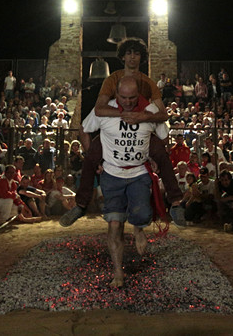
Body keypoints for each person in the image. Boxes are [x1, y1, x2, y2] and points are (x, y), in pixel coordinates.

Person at [61, 38, 184, 227]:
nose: (132, 57)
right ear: (123, 56)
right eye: (129, 53)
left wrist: (141, 117)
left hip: (141, 128)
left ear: (141, 57)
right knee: (91, 156)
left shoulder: (148, 83)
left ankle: (176, 203)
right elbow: (100, 109)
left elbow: (163, 114)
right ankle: (80, 204)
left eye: (136, 53)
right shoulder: (113, 79)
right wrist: (125, 113)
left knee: (162, 154)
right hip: (114, 129)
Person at [77, 75, 169, 287]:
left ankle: (138, 229)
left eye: (133, 97)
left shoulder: (150, 110)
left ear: (140, 95)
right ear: (115, 94)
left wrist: (155, 157)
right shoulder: (104, 110)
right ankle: (118, 273)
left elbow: (164, 136)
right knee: (114, 223)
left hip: (138, 174)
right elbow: (84, 128)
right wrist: (92, 157)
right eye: (123, 97)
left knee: (142, 215)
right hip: (111, 175)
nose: (128, 102)